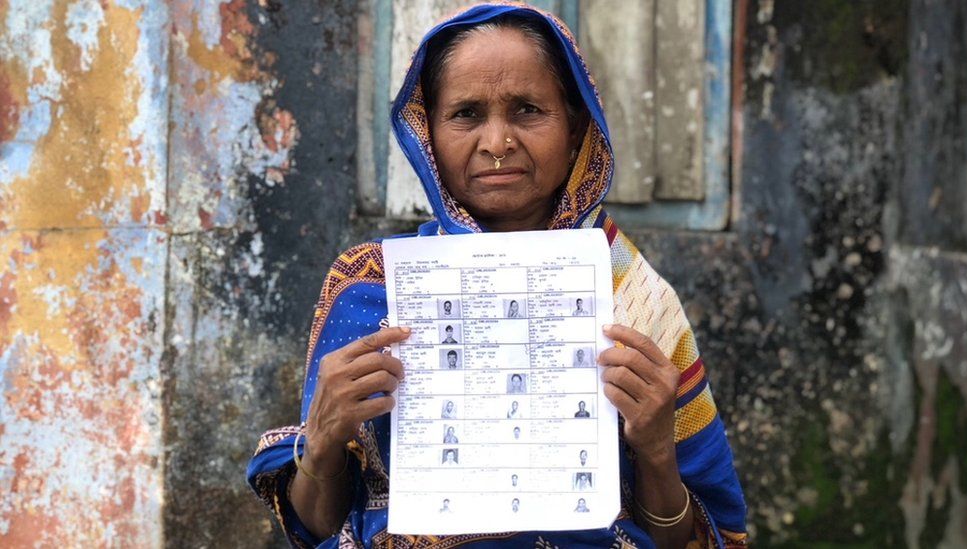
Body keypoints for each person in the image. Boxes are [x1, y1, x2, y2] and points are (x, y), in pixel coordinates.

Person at [247, 4, 748, 548]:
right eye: (465, 114)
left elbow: (703, 538)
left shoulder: (633, 296)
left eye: (528, 110)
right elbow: (316, 527)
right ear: (427, 133)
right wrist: (321, 441)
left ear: (577, 127)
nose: (496, 142)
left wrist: (655, 452)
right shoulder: (370, 286)